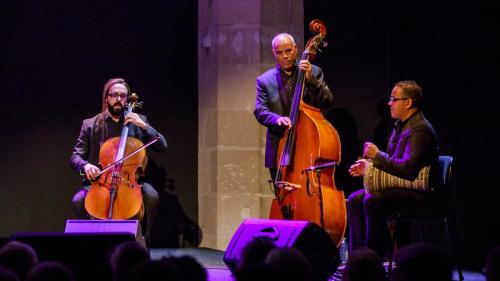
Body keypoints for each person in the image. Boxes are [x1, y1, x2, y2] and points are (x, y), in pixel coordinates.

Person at [347, 80, 439, 260]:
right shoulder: (401, 126)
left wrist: (377, 155)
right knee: (354, 199)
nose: (389, 103)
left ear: (408, 102)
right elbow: (394, 164)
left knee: (372, 201)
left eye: (393, 99)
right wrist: (369, 167)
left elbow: (408, 169)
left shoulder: (420, 129)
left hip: (420, 192)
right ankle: (358, 258)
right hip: (403, 187)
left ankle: (374, 260)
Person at [70, 78, 168, 247]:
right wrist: (85, 165)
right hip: (100, 181)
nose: (118, 99)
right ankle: (88, 244)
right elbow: (75, 157)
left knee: (152, 196)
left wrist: (144, 126)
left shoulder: (138, 120)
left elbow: (162, 145)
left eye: (123, 96)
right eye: (114, 95)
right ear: (106, 97)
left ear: (127, 98)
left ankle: (144, 243)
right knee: (77, 200)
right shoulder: (91, 124)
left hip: (130, 182)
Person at [254, 33, 334, 179]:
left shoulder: (314, 71)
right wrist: (277, 119)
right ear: (274, 53)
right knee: (282, 197)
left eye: (288, 51)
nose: (285, 56)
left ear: (296, 49)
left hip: (310, 145)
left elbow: (327, 101)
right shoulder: (264, 80)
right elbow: (260, 110)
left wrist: (311, 80)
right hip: (280, 147)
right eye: (279, 52)